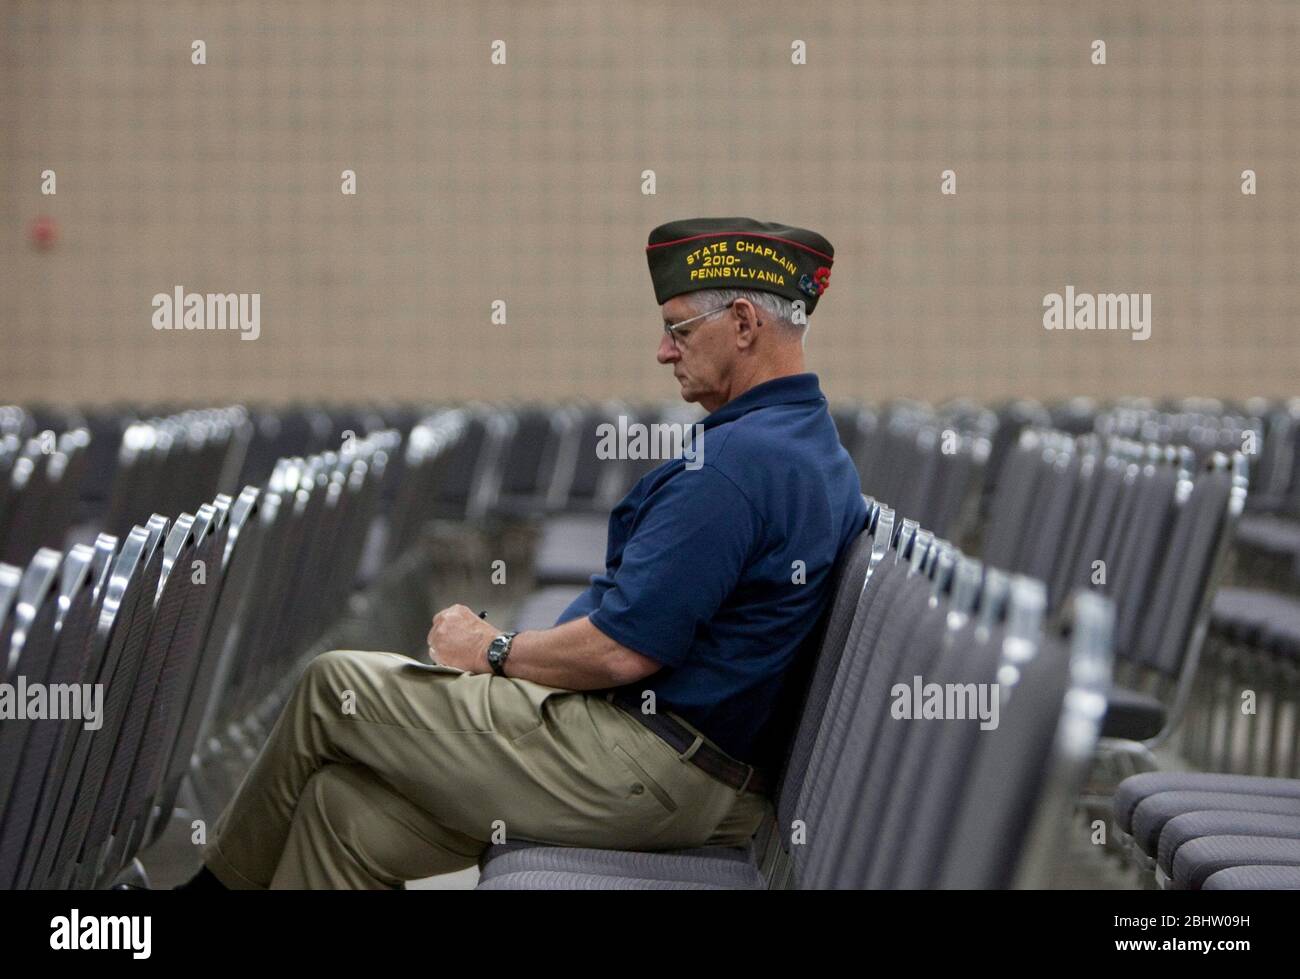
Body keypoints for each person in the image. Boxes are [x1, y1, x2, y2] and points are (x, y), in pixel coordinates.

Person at [181, 217, 867, 889]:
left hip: (648, 770)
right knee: (343, 814)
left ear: (744, 324)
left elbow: (621, 652)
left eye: (679, 328)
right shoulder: (811, 447)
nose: (664, 350)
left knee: (332, 689)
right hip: (687, 773)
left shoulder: (737, 465)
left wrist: (495, 650)